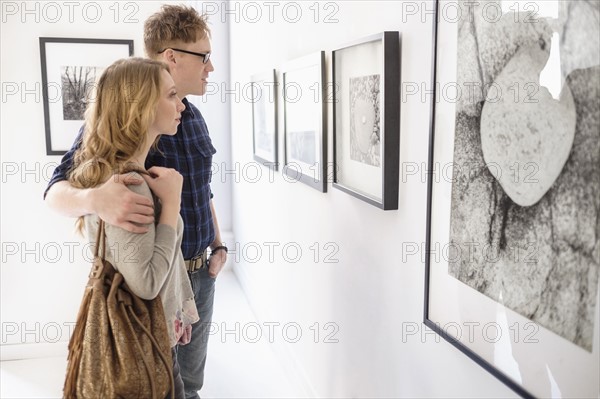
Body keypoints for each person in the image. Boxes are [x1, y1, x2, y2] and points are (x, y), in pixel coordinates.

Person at [44, 5, 227, 399]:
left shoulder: (191, 117)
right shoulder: (126, 125)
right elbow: (55, 192)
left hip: (197, 273)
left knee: (187, 385)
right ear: (172, 57)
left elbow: (202, 188)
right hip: (156, 280)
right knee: (154, 381)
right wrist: (96, 198)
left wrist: (217, 245)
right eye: (205, 56)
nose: (210, 67)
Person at [67, 57, 198, 398]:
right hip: (147, 345)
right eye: (171, 95)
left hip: (156, 335)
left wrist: (182, 309)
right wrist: (172, 204)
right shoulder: (128, 184)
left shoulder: (128, 173)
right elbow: (147, 283)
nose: (181, 104)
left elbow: (160, 260)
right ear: (140, 107)